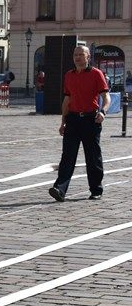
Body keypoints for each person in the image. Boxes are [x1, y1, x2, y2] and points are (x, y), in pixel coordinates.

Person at [49, 44, 110, 203]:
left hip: (91, 119)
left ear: (88, 57)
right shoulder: (69, 75)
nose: (77, 57)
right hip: (73, 120)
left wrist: (103, 112)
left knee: (93, 157)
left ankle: (96, 189)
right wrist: (63, 122)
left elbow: (106, 97)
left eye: (81, 55)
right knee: (67, 156)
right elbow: (67, 100)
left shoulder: (97, 74)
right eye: (75, 55)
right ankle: (60, 189)